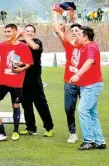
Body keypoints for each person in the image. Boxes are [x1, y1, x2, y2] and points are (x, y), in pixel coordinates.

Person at [0, 24, 33, 141]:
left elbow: (28, 63)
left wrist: (21, 68)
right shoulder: (0, 46)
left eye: (9, 32)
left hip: (16, 82)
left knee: (15, 105)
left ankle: (15, 131)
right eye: (5, 32)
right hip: (1, 81)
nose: (7, 34)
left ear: (16, 32)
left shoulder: (23, 46)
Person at [70, 27, 106, 150]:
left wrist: (78, 74)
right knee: (91, 113)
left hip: (91, 86)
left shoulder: (90, 47)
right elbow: (69, 40)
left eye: (79, 34)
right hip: (88, 86)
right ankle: (99, 141)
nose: (76, 35)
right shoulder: (84, 47)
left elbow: (90, 61)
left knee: (82, 110)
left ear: (85, 36)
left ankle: (89, 141)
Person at [52, 12, 83, 143]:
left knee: (87, 110)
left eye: (77, 30)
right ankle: (72, 133)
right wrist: (54, 14)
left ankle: (92, 133)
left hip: (85, 83)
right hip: (70, 82)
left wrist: (72, 18)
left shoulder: (87, 45)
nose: (74, 32)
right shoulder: (68, 44)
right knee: (69, 108)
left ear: (82, 33)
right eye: (72, 31)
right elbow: (57, 29)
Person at [19, 25, 54, 137]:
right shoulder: (20, 43)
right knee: (26, 105)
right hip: (22, 78)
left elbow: (34, 47)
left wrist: (23, 34)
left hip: (34, 79)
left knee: (41, 104)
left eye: (31, 32)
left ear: (34, 34)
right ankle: (31, 128)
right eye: (26, 31)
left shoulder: (37, 42)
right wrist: (19, 34)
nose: (29, 33)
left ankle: (48, 128)